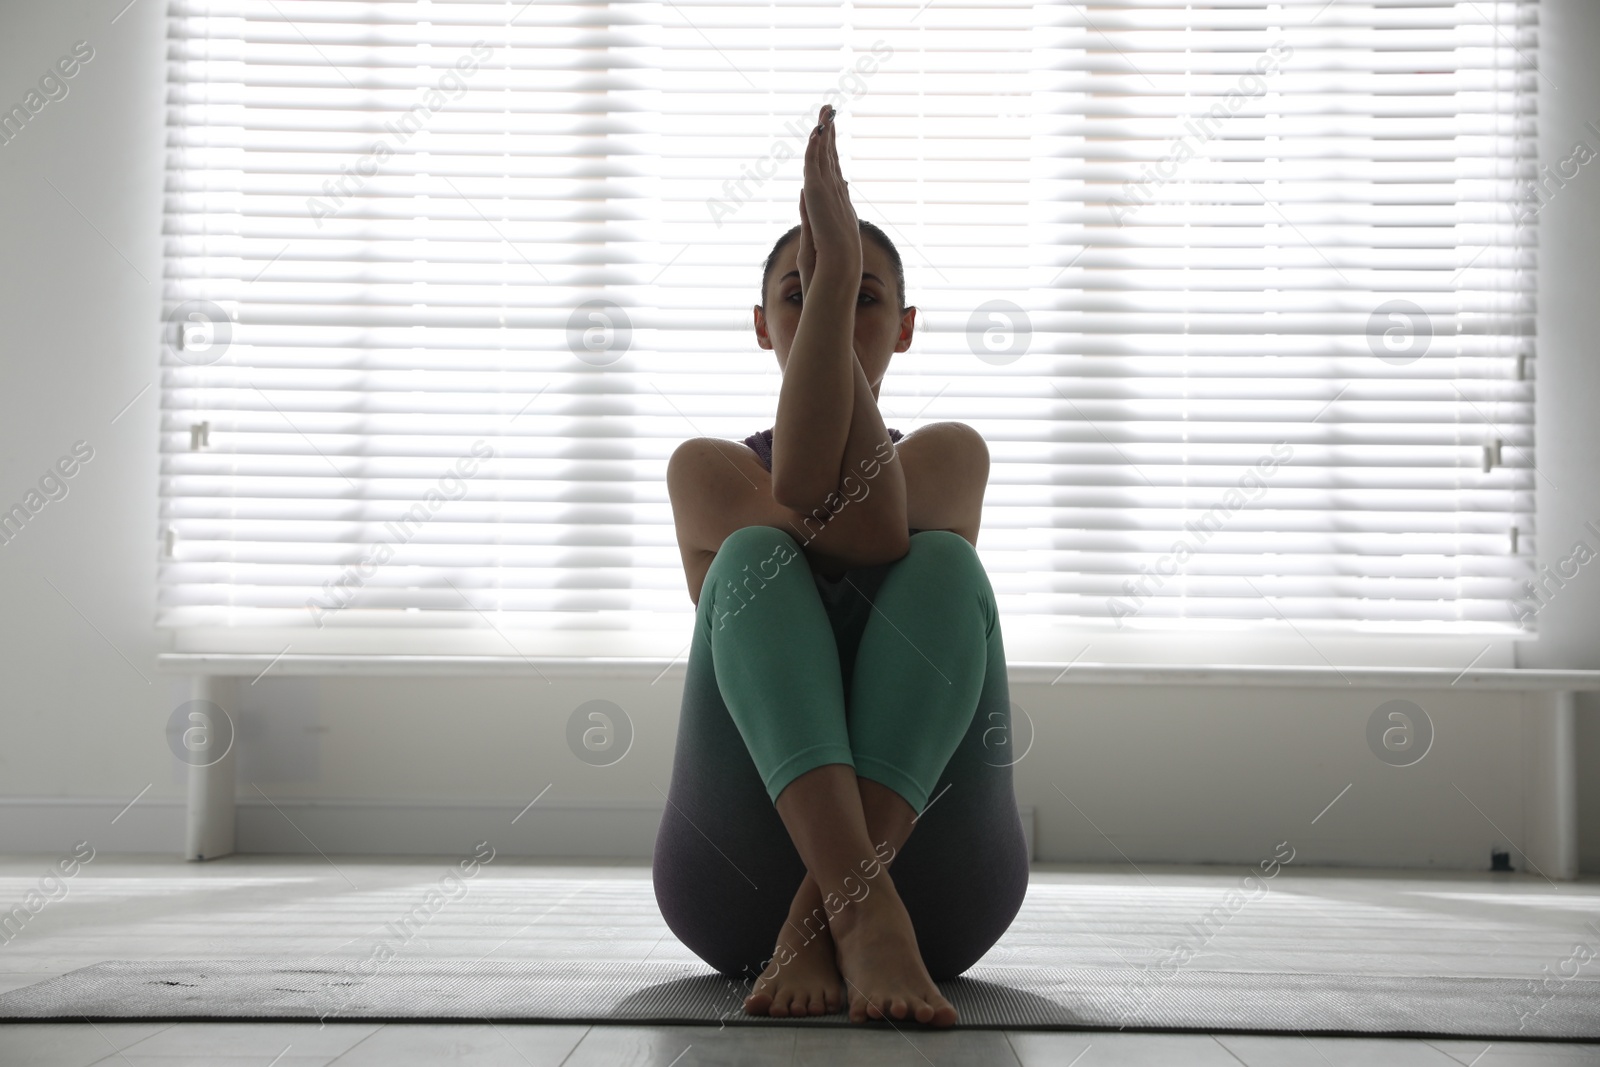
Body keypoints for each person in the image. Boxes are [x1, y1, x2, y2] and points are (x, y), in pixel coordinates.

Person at [652, 104, 1028, 1027]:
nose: (830, 305)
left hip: (941, 892)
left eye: (861, 295)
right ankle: (856, 907)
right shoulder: (709, 470)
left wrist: (826, 279)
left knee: (942, 570)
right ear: (761, 323)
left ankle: (840, 910)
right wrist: (837, 291)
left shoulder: (950, 456)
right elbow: (825, 513)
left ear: (903, 328)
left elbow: (866, 523)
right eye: (804, 291)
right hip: (734, 889)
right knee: (756, 555)